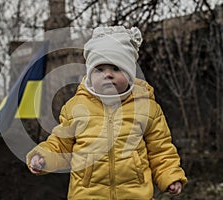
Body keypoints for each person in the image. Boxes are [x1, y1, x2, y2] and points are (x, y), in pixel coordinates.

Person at [26, 26, 187, 199]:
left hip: (135, 194)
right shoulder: (75, 108)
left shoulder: (147, 108)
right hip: (87, 194)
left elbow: (160, 150)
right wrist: (43, 158)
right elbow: (60, 144)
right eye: (99, 70)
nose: (107, 75)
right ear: (89, 75)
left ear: (131, 73)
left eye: (116, 69)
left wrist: (170, 176)